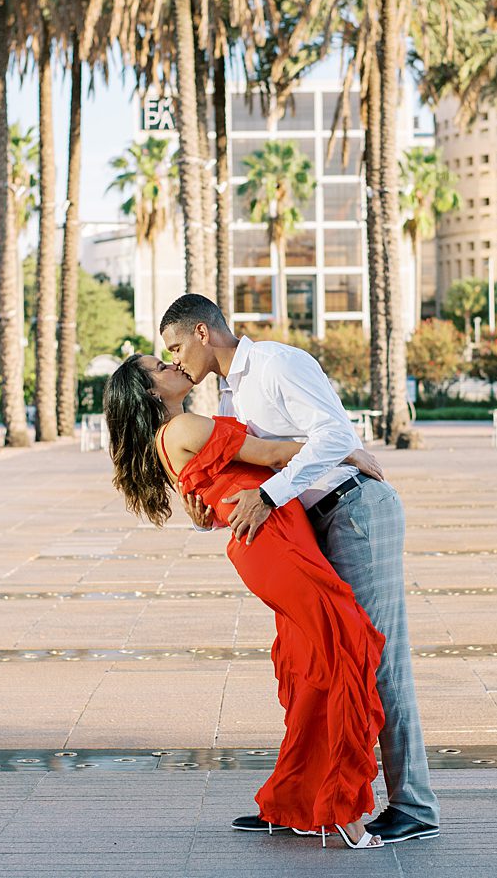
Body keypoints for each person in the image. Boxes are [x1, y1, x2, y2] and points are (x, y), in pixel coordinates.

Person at [159, 294, 440, 844]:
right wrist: (204, 514)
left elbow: (336, 436)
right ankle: (300, 800)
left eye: (174, 347)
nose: (173, 362)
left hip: (357, 510)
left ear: (201, 331)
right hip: (314, 526)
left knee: (372, 653)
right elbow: (243, 472)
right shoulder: (233, 393)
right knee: (316, 662)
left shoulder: (277, 363)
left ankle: (414, 806)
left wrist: (270, 492)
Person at [105, 354, 387, 850]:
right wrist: (347, 452)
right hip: (275, 541)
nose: (171, 363)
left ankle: (296, 803)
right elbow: (270, 453)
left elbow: (217, 500)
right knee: (344, 645)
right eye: (158, 366)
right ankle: (344, 808)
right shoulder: (185, 426)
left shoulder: (168, 438)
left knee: (313, 669)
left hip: (271, 539)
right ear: (150, 392)